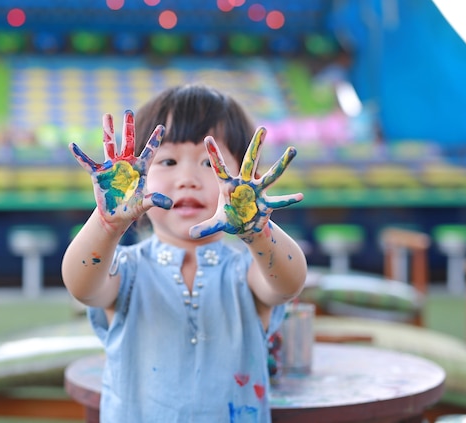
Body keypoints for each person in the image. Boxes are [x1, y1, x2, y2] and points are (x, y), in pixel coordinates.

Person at [62, 84, 307, 423]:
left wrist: (259, 232)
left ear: (244, 175)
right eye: (169, 160)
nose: (188, 178)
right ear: (139, 175)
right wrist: (105, 225)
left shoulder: (246, 273)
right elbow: (81, 285)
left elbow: (288, 284)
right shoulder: (127, 272)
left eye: (210, 162)